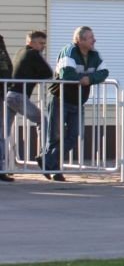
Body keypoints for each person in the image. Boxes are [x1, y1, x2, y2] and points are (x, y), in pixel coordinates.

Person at [36, 26, 109, 181]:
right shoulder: (69, 52)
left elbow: (104, 72)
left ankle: (46, 159)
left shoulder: (95, 54)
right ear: (79, 40)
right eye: (90, 37)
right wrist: (84, 77)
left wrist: (89, 79)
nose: (94, 40)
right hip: (59, 98)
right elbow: (67, 73)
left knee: (73, 135)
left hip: (78, 101)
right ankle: (55, 170)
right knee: (54, 136)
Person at [2, 31, 53, 181]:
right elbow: (48, 73)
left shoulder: (21, 52)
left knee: (3, 133)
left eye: (44, 43)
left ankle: (5, 166)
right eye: (40, 43)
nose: (42, 46)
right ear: (30, 42)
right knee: (42, 120)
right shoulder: (33, 54)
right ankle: (44, 156)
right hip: (18, 96)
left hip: (9, 95)